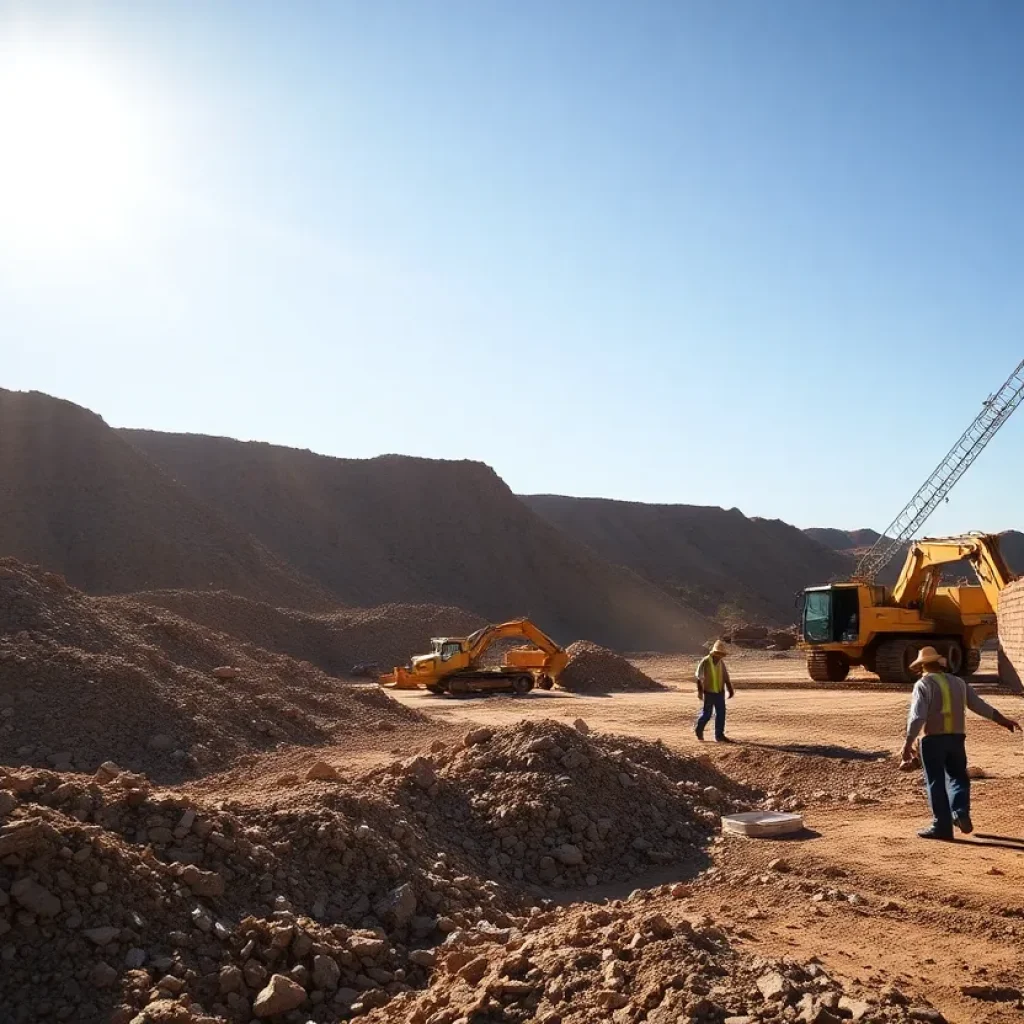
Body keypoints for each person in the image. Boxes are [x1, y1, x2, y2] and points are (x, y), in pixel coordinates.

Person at [900, 645, 1020, 840]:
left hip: (932, 741)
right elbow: (979, 705)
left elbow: (917, 717)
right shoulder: (958, 683)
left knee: (936, 782)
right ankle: (960, 812)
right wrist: (1003, 720)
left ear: (921, 666)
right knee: (958, 778)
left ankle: (942, 827)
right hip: (956, 739)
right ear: (938, 663)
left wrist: (908, 743)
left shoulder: (923, 685)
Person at [694, 639, 734, 742]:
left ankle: (719, 736)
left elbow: (725, 677)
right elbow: (699, 677)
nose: (719, 656)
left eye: (721, 654)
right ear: (714, 652)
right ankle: (699, 729)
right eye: (718, 653)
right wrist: (700, 692)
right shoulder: (705, 661)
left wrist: (730, 689)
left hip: (720, 693)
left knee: (721, 713)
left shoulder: (721, 663)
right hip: (709, 693)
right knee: (707, 714)